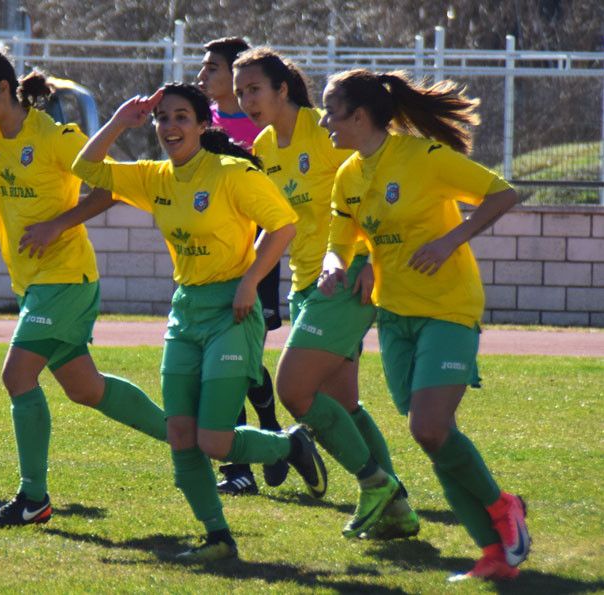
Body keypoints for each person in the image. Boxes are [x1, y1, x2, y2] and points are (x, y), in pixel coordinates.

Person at [0, 45, 168, 528]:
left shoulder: (55, 137)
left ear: (6, 89)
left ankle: (33, 498)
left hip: (65, 279)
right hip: (35, 284)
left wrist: (57, 225)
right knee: (87, 390)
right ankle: (193, 437)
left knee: (16, 376)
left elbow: (109, 188)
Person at [72, 82, 327, 562]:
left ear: (204, 124)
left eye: (181, 117)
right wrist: (117, 121)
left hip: (232, 311)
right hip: (185, 311)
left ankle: (288, 447)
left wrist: (251, 282)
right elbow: (84, 168)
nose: (170, 127)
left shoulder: (231, 172)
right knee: (181, 439)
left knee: (214, 440)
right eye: (162, 118)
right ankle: (218, 539)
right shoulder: (155, 177)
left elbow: (284, 225)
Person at [317, 68, 530, 581]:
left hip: (449, 307)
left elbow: (502, 194)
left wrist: (450, 240)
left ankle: (504, 510)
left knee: (428, 426)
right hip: (395, 317)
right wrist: (334, 262)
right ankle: (496, 553)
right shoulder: (349, 173)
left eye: (331, 111)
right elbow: (340, 230)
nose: (324, 121)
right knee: (434, 436)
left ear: (360, 116)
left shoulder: (425, 158)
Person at [233, 48, 416, 539]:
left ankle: (374, 483)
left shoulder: (326, 128)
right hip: (306, 283)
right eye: (240, 93)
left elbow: (376, 183)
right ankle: (397, 506)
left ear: (282, 89)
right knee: (345, 403)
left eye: (254, 89)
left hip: (347, 278)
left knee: (294, 390)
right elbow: (279, 222)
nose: (246, 100)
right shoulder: (266, 147)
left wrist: (371, 260)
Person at [197, 37, 288, 496]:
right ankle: (240, 466)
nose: (202, 76)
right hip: (212, 259)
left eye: (211, 67)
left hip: (255, 257)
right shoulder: (200, 122)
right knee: (223, 355)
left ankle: (269, 425)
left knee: (245, 358)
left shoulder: (264, 131)